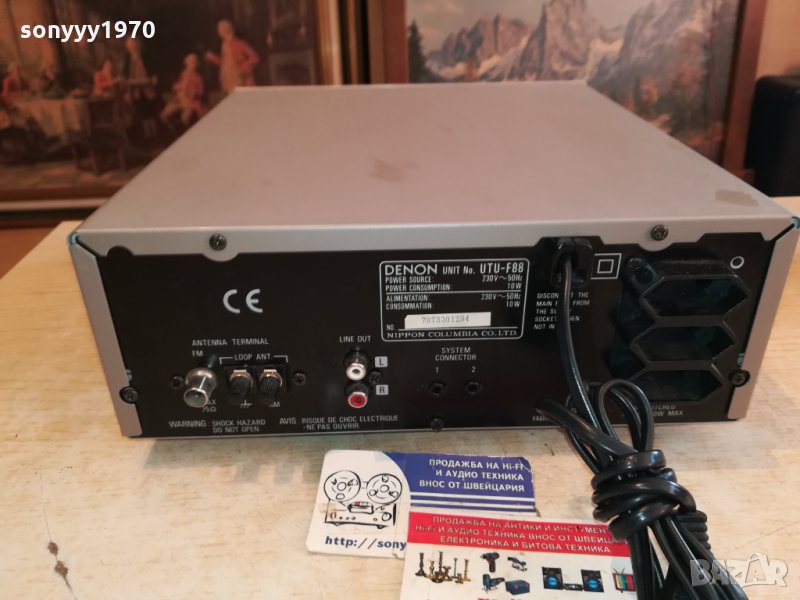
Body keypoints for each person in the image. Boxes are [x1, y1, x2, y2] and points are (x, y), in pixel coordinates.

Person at [204, 19, 259, 94]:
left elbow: (255, 57)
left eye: (220, 30)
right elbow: (225, 63)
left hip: (239, 80)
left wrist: (245, 66)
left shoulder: (239, 43)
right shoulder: (224, 44)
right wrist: (213, 58)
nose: (218, 32)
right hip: (228, 81)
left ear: (225, 30)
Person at [160, 53, 206, 127]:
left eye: (194, 63)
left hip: (191, 103)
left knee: (185, 118)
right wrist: (177, 87)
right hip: (179, 100)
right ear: (187, 63)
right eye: (191, 62)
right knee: (163, 115)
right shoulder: (183, 74)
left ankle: (185, 129)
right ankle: (174, 127)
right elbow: (175, 86)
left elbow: (201, 92)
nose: (193, 65)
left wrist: (194, 92)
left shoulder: (198, 77)